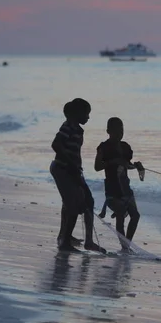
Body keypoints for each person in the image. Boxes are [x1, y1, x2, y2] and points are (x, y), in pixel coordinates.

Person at [50, 98, 106, 254]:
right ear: (77, 113)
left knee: (87, 200)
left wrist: (75, 167)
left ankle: (84, 240)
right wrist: (70, 163)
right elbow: (56, 144)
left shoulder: (76, 128)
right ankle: (65, 242)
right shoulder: (68, 127)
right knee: (74, 205)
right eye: (86, 113)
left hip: (71, 170)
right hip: (63, 169)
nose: (88, 117)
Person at [94, 117, 144, 250]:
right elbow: (97, 166)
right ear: (108, 131)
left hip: (125, 188)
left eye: (121, 130)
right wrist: (113, 162)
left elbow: (127, 165)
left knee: (135, 216)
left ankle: (127, 244)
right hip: (112, 189)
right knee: (120, 214)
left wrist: (137, 166)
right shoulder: (103, 147)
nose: (119, 133)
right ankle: (124, 247)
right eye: (116, 130)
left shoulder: (125, 147)